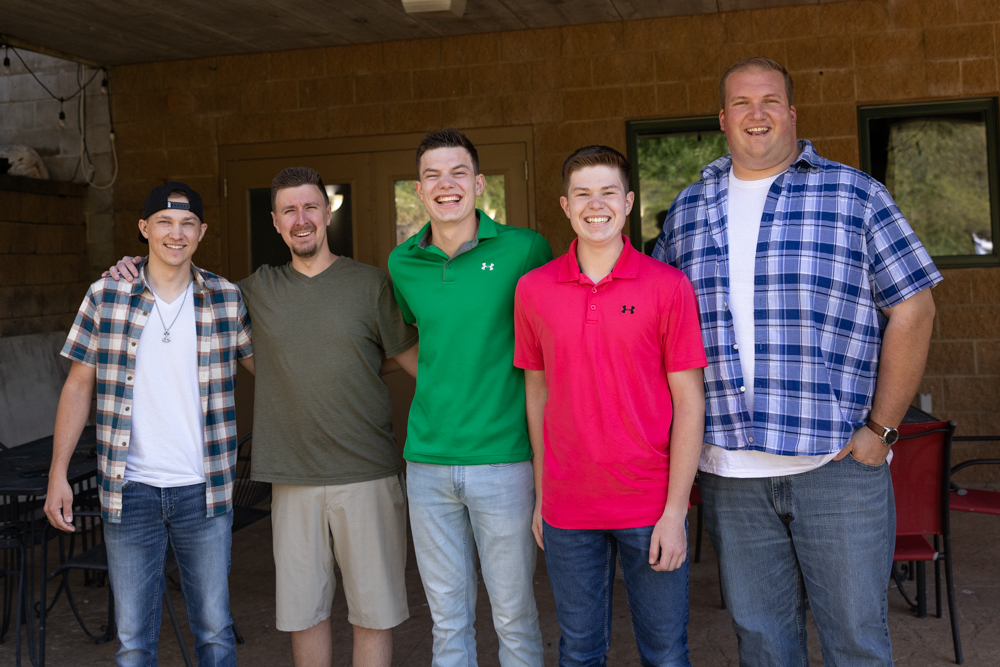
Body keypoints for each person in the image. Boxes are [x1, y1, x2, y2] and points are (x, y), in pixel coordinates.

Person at [653, 57, 940, 666]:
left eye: (769, 101)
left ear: (791, 112)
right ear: (723, 119)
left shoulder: (856, 195)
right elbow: (659, 333)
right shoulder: (688, 210)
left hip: (837, 465)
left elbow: (914, 309)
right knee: (762, 644)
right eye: (741, 103)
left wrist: (882, 431)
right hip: (731, 473)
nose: (756, 114)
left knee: (856, 644)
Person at [106, 167, 419, 667]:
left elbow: (410, 359)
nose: (301, 219)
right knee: (304, 614)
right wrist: (133, 265)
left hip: (366, 472)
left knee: (373, 615)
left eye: (311, 207)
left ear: (327, 213)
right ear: (275, 222)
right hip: (290, 476)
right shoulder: (248, 293)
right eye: (289, 210)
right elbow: (179, 277)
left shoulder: (370, 284)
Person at [46, 182, 254, 666]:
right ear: (144, 228)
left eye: (187, 224)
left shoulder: (226, 298)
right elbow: (77, 386)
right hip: (130, 490)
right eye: (164, 222)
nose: (175, 234)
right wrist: (58, 474)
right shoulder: (106, 294)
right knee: (135, 642)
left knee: (215, 632)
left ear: (202, 232)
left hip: (204, 489)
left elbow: (269, 368)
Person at [514, 146, 706, 667]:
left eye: (607, 193)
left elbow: (690, 400)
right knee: (579, 651)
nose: (595, 205)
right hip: (568, 507)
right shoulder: (533, 290)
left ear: (628, 203)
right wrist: (542, 493)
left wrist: (676, 510)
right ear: (565, 205)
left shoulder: (668, 286)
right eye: (582, 194)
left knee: (665, 654)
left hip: (650, 504)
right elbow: (537, 394)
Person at [387, 129, 552, 667]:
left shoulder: (525, 249)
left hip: (504, 461)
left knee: (513, 617)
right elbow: (411, 342)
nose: (446, 184)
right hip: (427, 463)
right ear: (418, 190)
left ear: (479, 184)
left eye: (458, 172)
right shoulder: (402, 262)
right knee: (447, 621)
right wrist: (445, 381)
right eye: (432, 175)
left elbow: (552, 343)